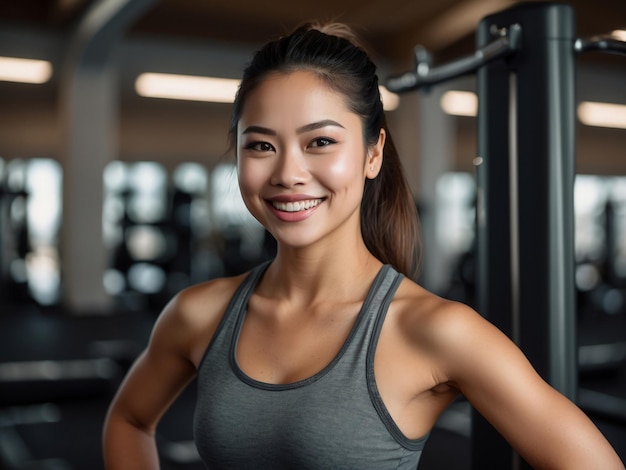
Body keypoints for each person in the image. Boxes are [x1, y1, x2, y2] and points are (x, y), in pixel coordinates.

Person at [102, 22, 625, 470]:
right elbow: (128, 420)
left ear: (373, 154)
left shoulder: (434, 330)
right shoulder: (198, 313)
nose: (287, 173)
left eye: (320, 142)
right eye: (260, 145)